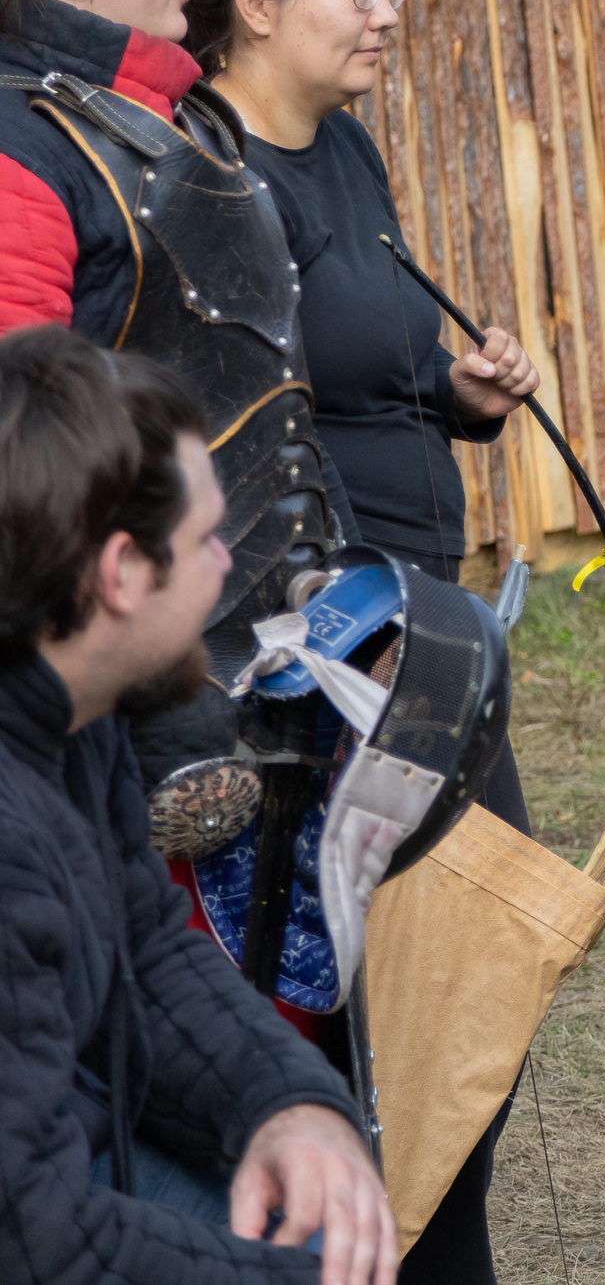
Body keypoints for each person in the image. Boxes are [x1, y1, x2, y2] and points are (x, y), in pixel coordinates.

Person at [182, 0, 541, 1285]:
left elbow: (356, 362)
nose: (389, 12)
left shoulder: (342, 146)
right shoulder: (205, 172)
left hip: (426, 627)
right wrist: (344, 624)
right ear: (255, 2)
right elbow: (240, 430)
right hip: (323, 651)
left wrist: (459, 384)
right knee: (365, 1014)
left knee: (470, 985)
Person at [0, 321, 398, 1285]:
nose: (229, 563)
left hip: (57, 1164)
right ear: (122, 573)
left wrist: (289, 1102)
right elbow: (34, 1243)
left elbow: (146, 944)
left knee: (324, 1215)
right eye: (207, 537)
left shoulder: (72, 714)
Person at [0, 0, 342, 860]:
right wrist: (158, 692)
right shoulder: (19, 151)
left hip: (262, 655)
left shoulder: (175, 118)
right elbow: (26, 474)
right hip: (117, 715)